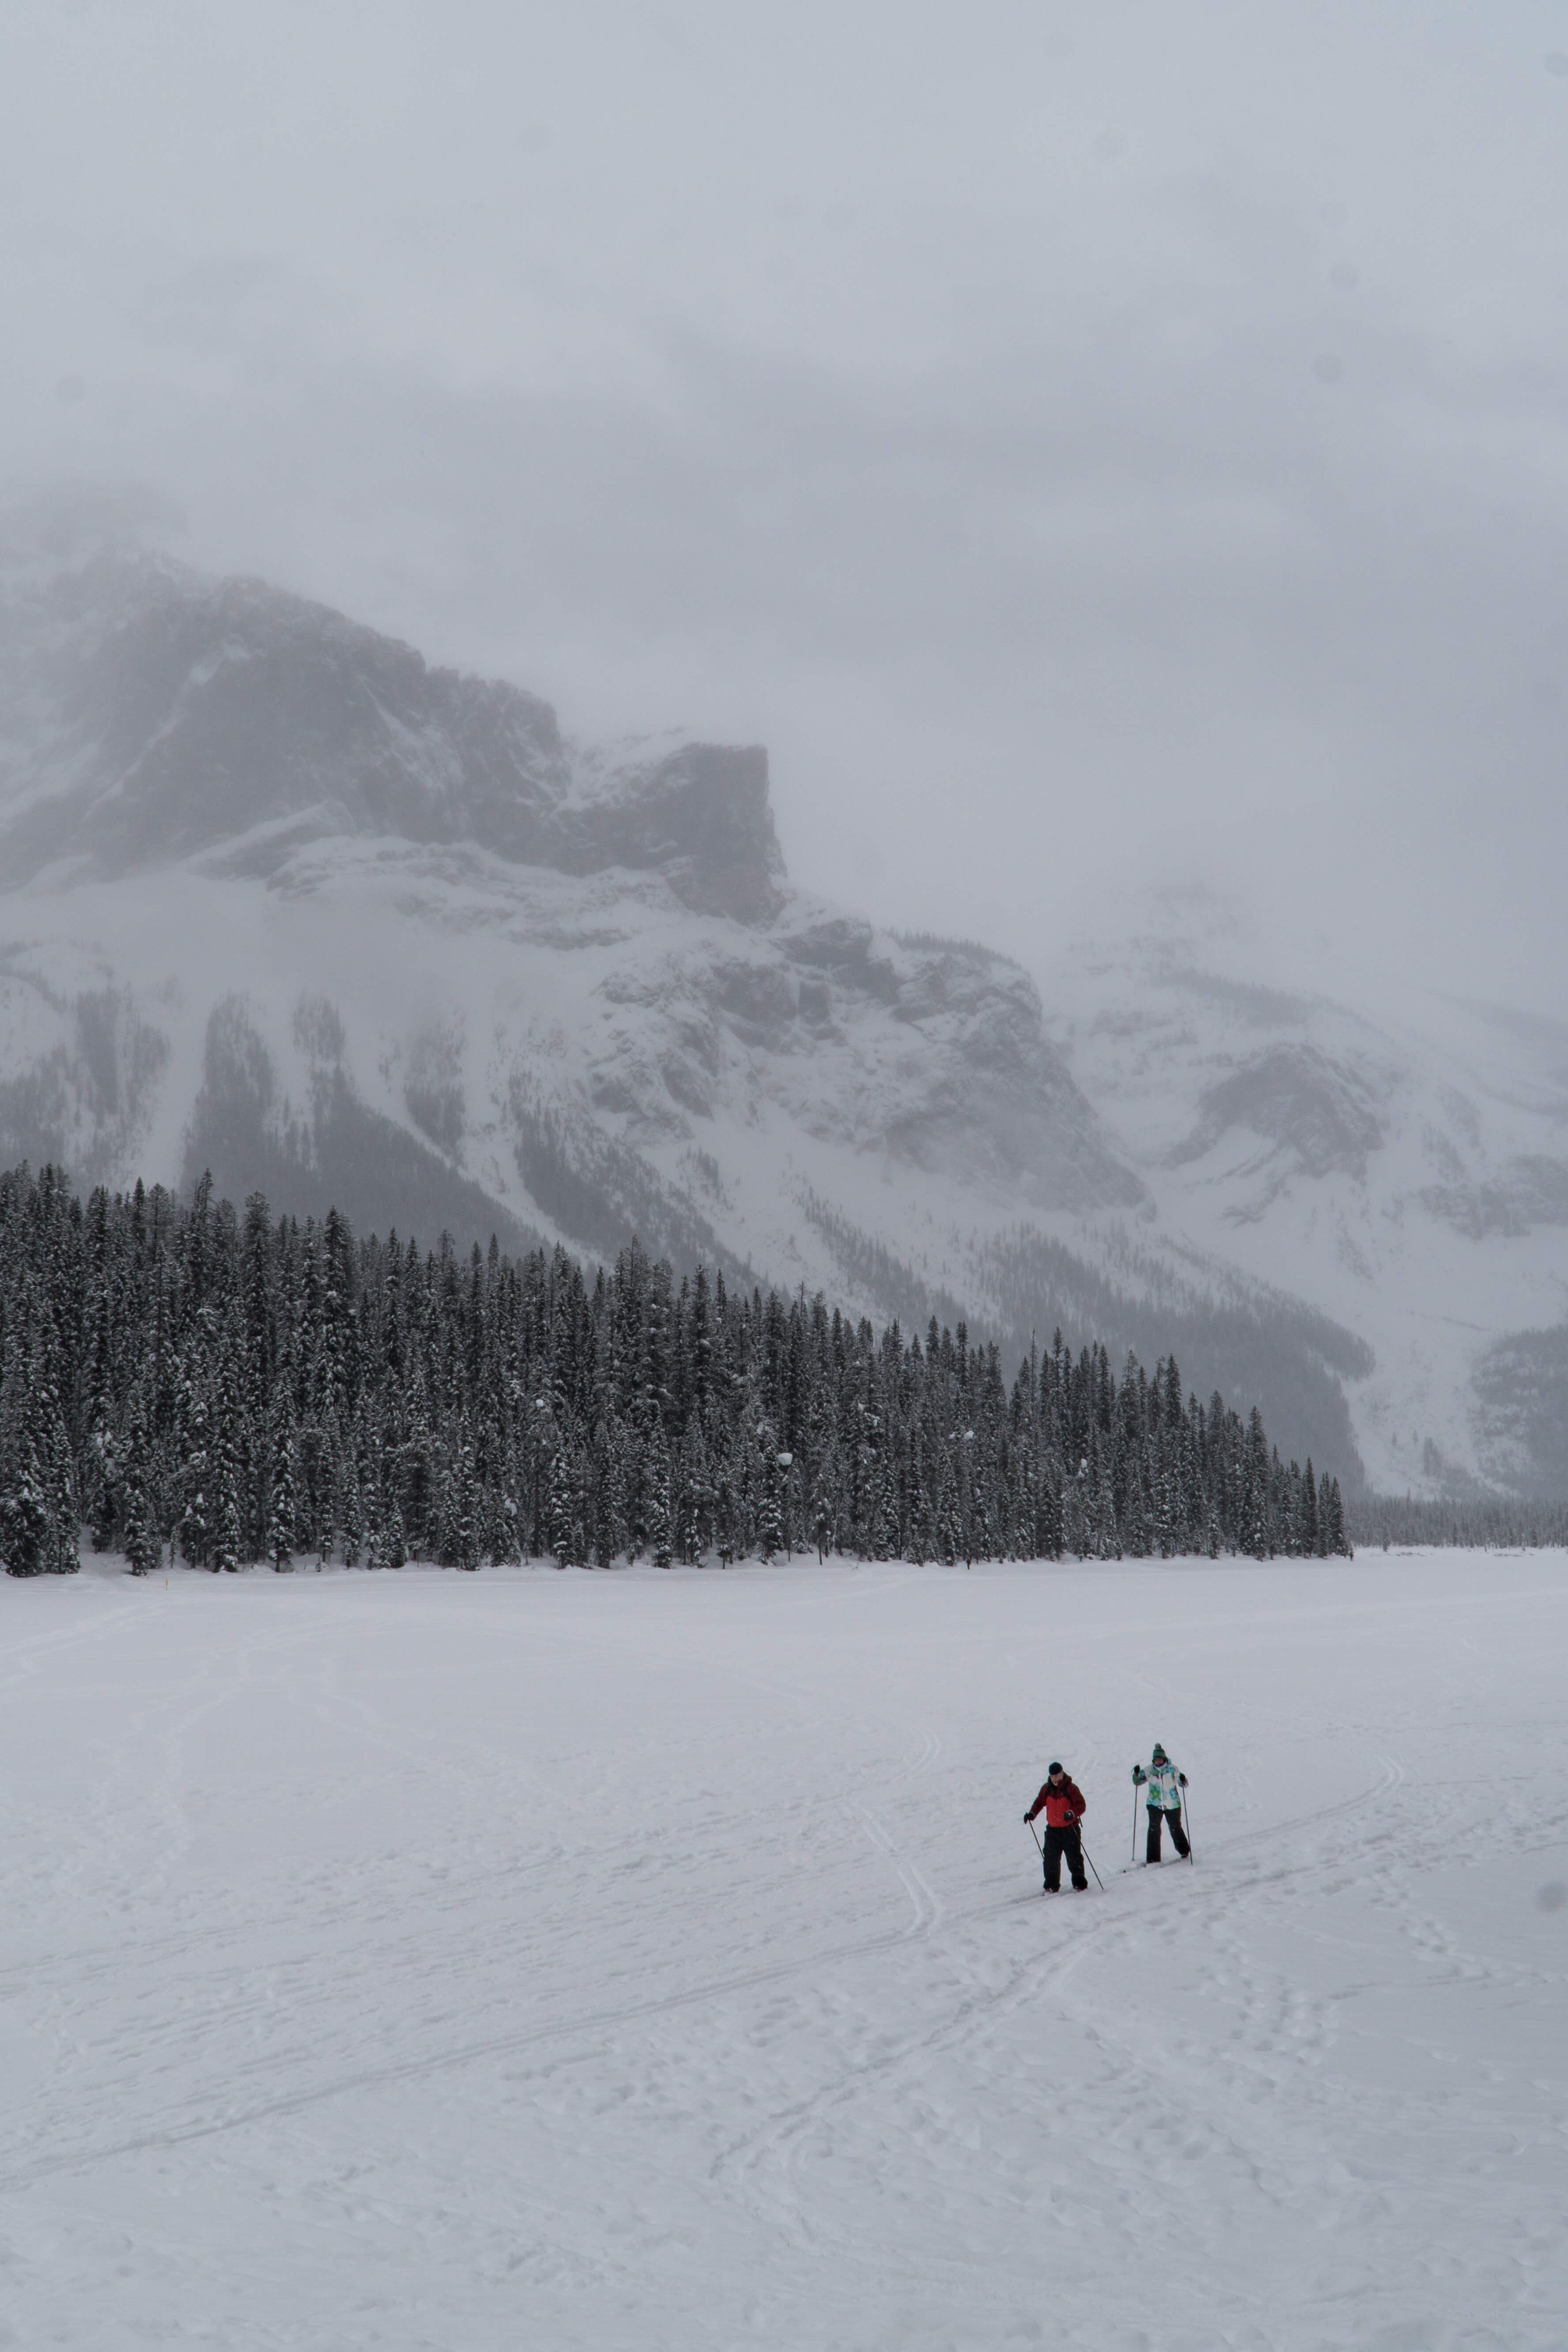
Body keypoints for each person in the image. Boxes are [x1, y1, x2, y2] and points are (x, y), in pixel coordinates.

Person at [1024, 1761, 1088, 1892]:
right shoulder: (1046, 1789)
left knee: (1074, 1859)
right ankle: (1051, 1886)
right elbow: (1039, 1802)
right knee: (1050, 1860)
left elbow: (1081, 1805)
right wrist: (1032, 1814)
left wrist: (1072, 1814)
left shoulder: (1071, 1788)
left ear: (1062, 1773)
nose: (1055, 1778)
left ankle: (1079, 1884)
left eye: (1057, 1775)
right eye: (1053, 1776)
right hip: (1053, 1831)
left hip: (1070, 1830)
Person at [1132, 1743, 1189, 1863]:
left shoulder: (1173, 1769)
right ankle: (1153, 1859)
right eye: (1156, 1759)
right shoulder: (1149, 1770)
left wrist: (1183, 1780)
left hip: (1172, 1804)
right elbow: (1138, 1782)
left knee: (1175, 1828)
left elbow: (1182, 1784)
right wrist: (1136, 1774)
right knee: (1154, 1830)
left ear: (1164, 1759)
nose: (1158, 1761)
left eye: (1160, 1759)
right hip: (1154, 1804)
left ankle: (1184, 1851)